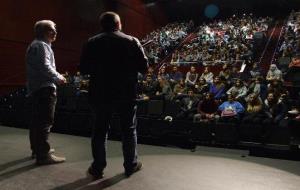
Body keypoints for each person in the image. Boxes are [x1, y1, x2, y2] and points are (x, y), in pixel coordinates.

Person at [80, 12, 148, 179]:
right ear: (119, 24)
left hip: (100, 93)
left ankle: (97, 168)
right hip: (126, 93)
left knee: (99, 131)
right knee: (129, 130)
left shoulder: (92, 42)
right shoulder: (132, 41)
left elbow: (84, 69)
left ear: (102, 25)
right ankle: (130, 165)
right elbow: (144, 67)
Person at [26, 20, 67, 165]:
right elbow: (45, 66)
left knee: (36, 121)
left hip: (37, 88)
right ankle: (43, 155)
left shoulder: (36, 45)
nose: (55, 32)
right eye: (51, 30)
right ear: (41, 32)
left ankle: (37, 149)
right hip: (44, 88)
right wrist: (59, 77)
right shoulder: (41, 46)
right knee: (45, 121)